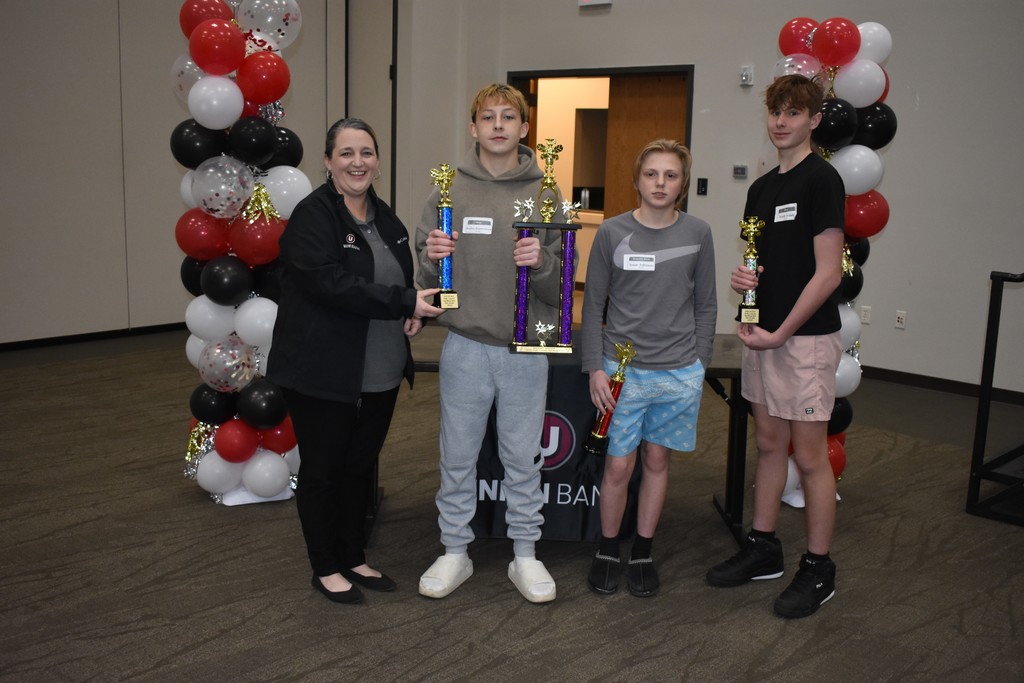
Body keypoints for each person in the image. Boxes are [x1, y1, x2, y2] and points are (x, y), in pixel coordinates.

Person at [267, 118, 444, 604]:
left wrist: (416, 312)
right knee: (325, 470)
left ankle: (353, 554)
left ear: (378, 162)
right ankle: (325, 565)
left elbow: (397, 286)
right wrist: (403, 302)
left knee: (359, 467)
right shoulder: (312, 216)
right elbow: (331, 284)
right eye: (346, 153)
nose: (357, 162)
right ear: (327, 161)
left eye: (366, 152)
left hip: (380, 370)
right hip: (324, 372)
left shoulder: (386, 219)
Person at [414, 83, 564, 603]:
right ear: (474, 128)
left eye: (509, 117)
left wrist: (542, 263)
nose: (498, 125)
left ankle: (526, 556)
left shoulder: (546, 192)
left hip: (524, 349)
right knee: (456, 454)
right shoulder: (448, 189)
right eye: (488, 117)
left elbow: (558, 285)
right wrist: (432, 256)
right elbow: (428, 274)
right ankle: (455, 550)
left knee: (524, 458)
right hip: (464, 344)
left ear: (525, 129)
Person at [705, 74, 846, 619]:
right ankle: (763, 548)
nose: (782, 121)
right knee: (767, 443)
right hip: (763, 337)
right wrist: (747, 285)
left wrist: (784, 330)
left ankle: (818, 568)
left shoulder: (822, 180)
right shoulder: (760, 189)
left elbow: (828, 273)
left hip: (803, 340)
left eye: (793, 112)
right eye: (775, 112)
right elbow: (767, 262)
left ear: (813, 120)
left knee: (808, 456)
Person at [581, 139, 717, 598]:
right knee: (619, 466)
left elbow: (706, 304)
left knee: (658, 460)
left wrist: (700, 364)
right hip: (621, 374)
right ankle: (607, 549)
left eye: (671, 175)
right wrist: (595, 369)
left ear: (682, 183)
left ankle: (642, 550)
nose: (660, 183)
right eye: (652, 174)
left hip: (678, 372)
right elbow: (594, 303)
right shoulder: (611, 233)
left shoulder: (698, 233)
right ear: (637, 179)